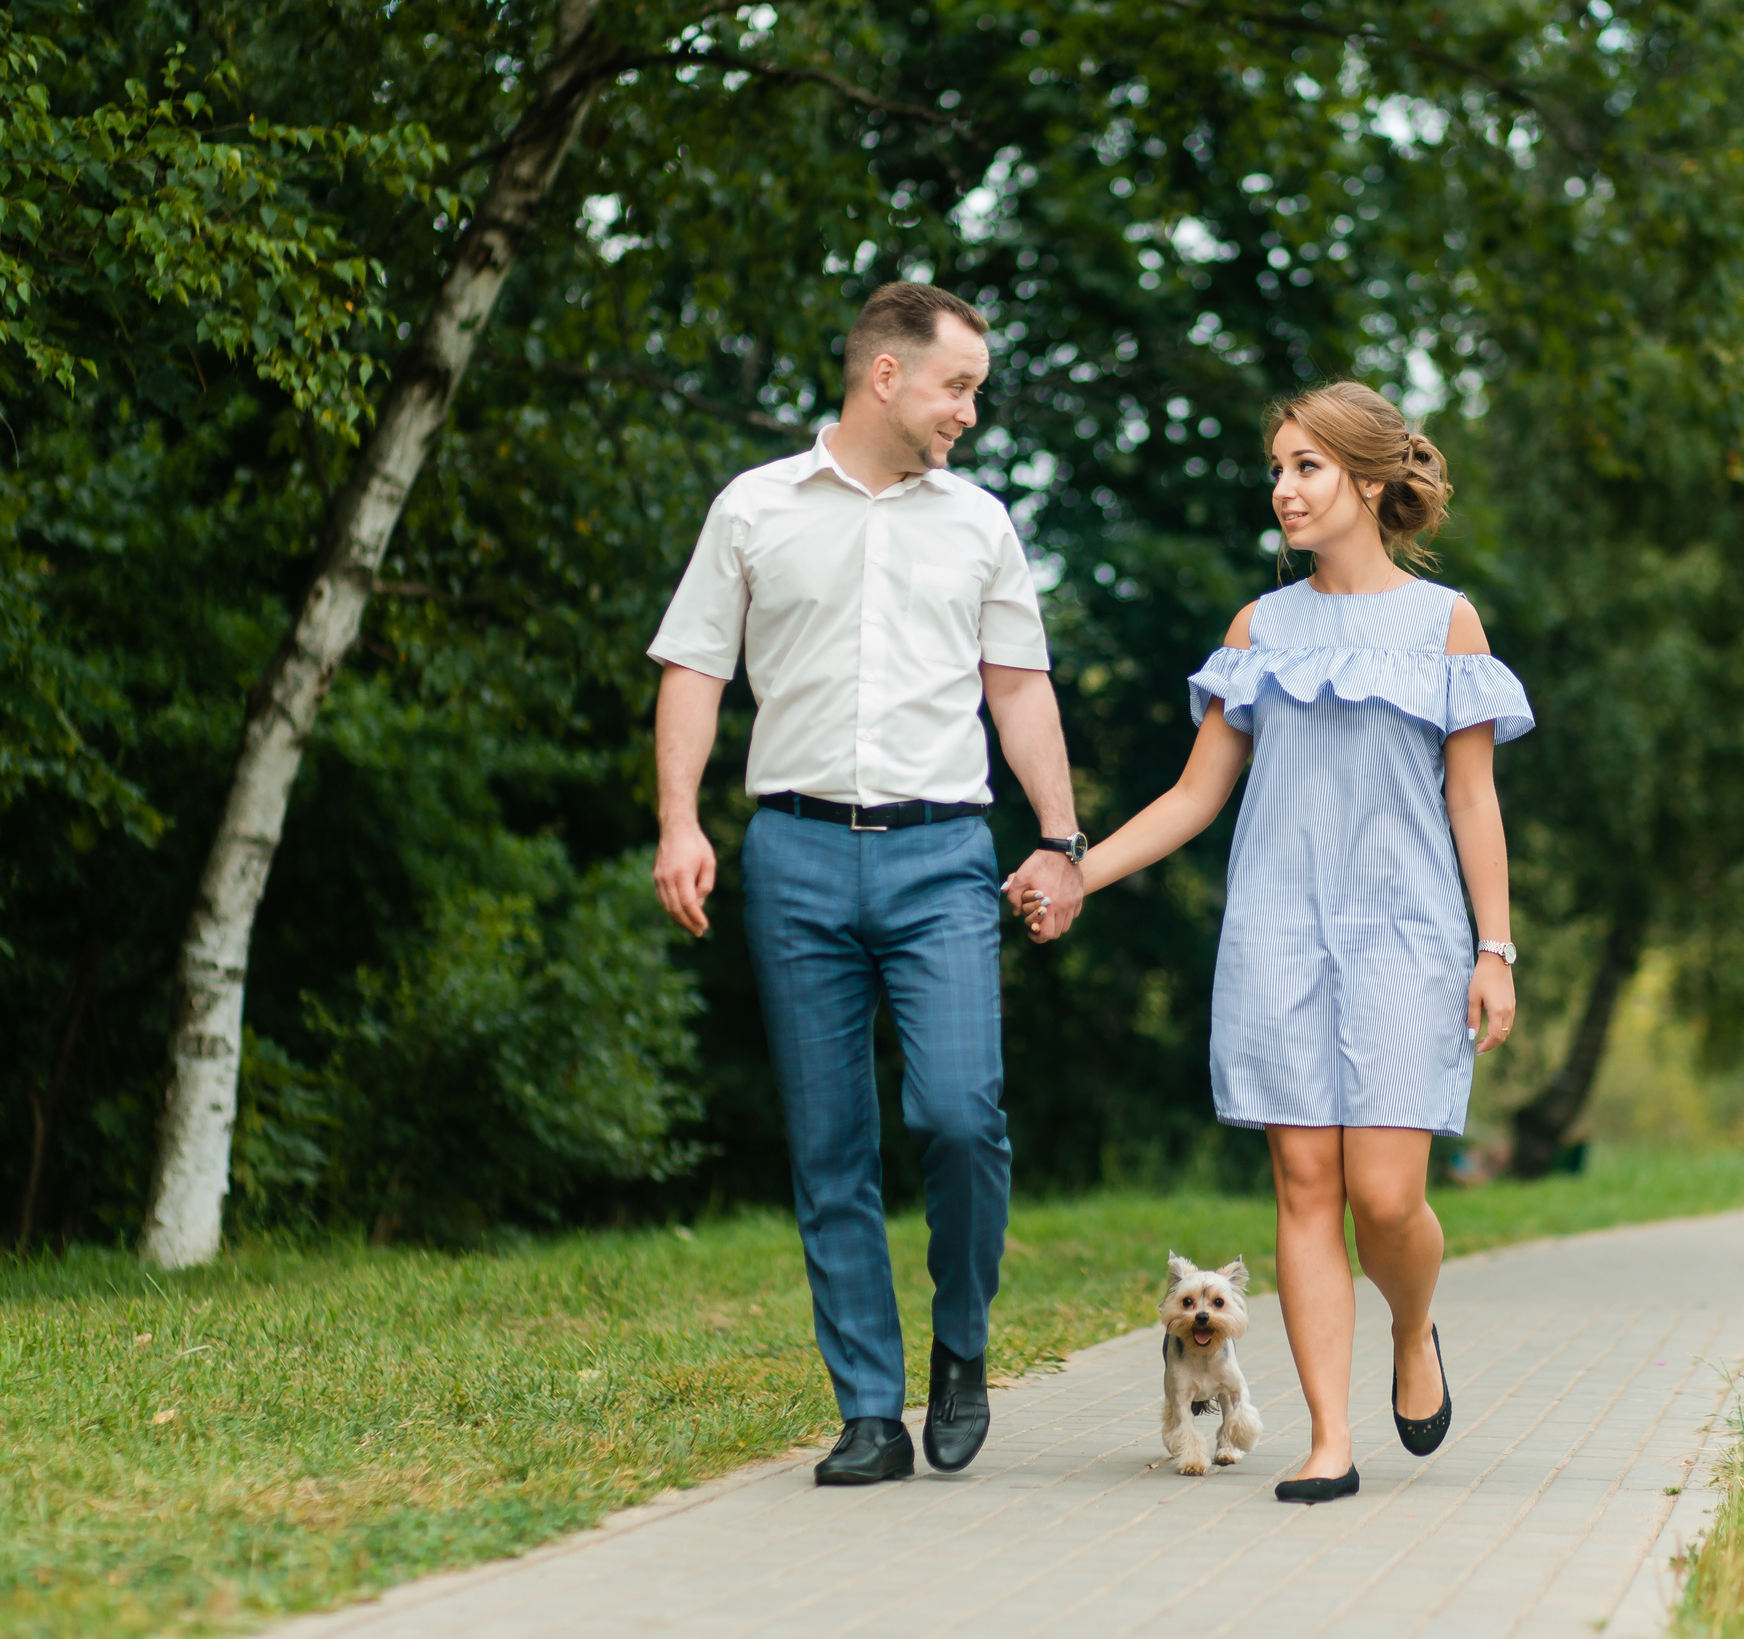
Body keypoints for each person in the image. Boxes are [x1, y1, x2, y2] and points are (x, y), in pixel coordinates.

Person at [1008, 381, 1532, 1503]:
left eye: (1307, 467)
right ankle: (1329, 1442)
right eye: (1278, 469)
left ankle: (1414, 1326)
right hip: (1279, 940)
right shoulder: (1261, 628)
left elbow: (1473, 802)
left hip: (1407, 938)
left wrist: (1497, 950)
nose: (1284, 489)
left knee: (1387, 1200)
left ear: (1372, 480)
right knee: (1303, 1186)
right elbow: (1197, 794)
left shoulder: (1446, 627)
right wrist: (1078, 869)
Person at [648, 282, 1088, 1487]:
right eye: (957, 387)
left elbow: (1018, 688)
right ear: (885, 377)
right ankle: (866, 1409)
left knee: (958, 1112)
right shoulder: (754, 509)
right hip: (791, 852)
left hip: (941, 852)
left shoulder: (979, 523)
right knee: (829, 1141)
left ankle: (961, 1346)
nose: (969, 413)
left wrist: (1061, 839)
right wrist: (680, 821)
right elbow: (694, 668)